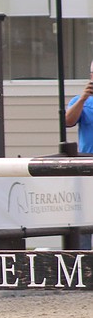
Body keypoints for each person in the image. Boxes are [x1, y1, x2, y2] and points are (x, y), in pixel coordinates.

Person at [65, 60, 93, 250]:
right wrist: (83, 99)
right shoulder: (80, 101)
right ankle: (83, 265)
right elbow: (68, 121)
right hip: (87, 168)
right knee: (85, 220)